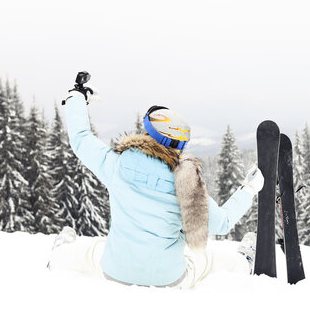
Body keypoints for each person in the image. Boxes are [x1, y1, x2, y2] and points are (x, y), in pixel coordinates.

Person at [47, 84, 264, 289]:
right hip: (168, 279)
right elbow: (222, 223)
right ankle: (244, 261)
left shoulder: (117, 165)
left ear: (149, 135)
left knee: (93, 252)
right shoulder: (187, 184)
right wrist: (249, 188)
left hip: (115, 272)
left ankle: (61, 252)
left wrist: (77, 98)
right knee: (205, 260)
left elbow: (81, 139)